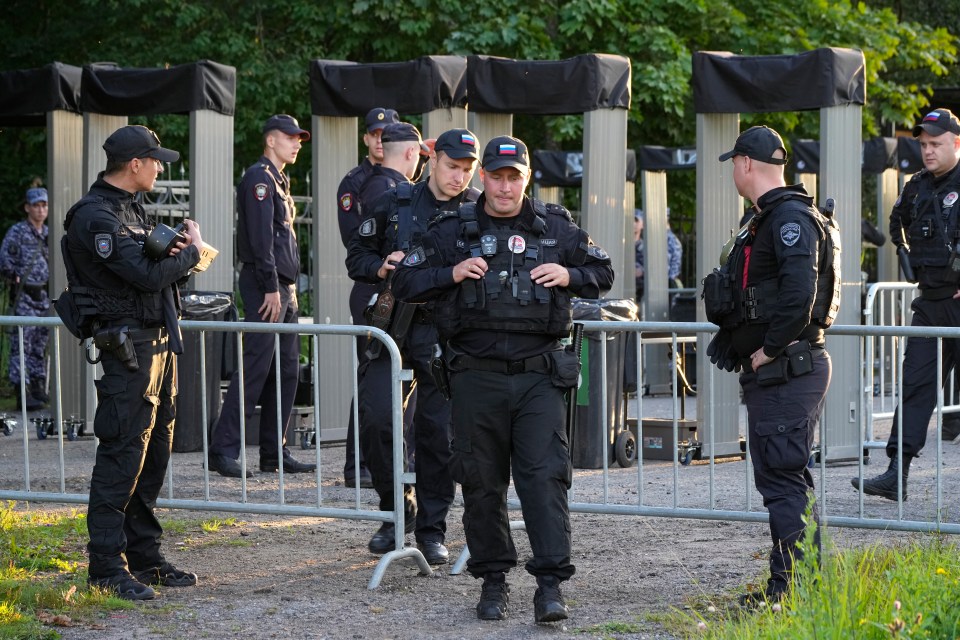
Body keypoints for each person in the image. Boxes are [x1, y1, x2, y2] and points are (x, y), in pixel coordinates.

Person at [392, 135, 614, 624]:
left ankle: (550, 587)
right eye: (496, 176)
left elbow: (604, 270)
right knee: (481, 484)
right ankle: (492, 583)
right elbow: (404, 281)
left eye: (514, 177)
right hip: (475, 376)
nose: (505, 186)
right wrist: (450, 272)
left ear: (527, 178)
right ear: (484, 178)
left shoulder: (555, 227)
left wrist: (569, 275)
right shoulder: (452, 228)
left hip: (538, 378)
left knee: (544, 481)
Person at [62, 125, 202, 600]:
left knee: (154, 454)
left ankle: (144, 555)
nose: (161, 167)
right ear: (135, 164)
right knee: (123, 453)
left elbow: (153, 270)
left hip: (157, 342)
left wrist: (179, 255)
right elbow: (143, 275)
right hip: (128, 349)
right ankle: (105, 565)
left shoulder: (130, 209)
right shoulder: (95, 217)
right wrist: (194, 253)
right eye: (155, 160)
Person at [706, 125, 837, 603]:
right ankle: (802, 587)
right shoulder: (768, 217)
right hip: (784, 372)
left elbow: (800, 294)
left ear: (744, 164)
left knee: (783, 482)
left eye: (734, 165)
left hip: (787, 370)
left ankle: (793, 592)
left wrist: (769, 349)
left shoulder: (789, 219)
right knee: (787, 481)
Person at [346, 127, 480, 565]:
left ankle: (431, 530)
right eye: (452, 166)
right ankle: (397, 509)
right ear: (432, 159)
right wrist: (380, 266)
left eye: (467, 169)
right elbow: (356, 257)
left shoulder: (480, 210)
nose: (459, 177)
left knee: (438, 436)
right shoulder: (396, 202)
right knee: (379, 422)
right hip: (397, 328)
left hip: (450, 334)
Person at [852, 108, 960, 499]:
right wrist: (902, 250)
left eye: (936, 144)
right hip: (930, 303)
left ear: (956, 143)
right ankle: (897, 474)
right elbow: (896, 220)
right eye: (924, 145)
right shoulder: (917, 186)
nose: (928, 152)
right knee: (914, 387)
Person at [208, 115, 315, 478]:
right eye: (290, 138)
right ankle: (223, 449)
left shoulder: (279, 180)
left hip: (283, 287)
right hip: (265, 284)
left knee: (286, 371)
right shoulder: (259, 177)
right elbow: (260, 239)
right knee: (255, 367)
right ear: (270, 141)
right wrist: (271, 286)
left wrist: (285, 288)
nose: (297, 143)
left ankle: (275, 451)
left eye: (299, 138)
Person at [337, 107, 399, 489]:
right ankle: (356, 464)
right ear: (367, 139)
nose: (380, 140)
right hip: (371, 285)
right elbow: (356, 241)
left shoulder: (412, 180)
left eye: (387, 135)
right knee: (372, 374)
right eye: (376, 134)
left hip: (402, 289)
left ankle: (394, 458)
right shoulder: (356, 181)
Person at [1, 186, 51, 410]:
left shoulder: (48, 233)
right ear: (27, 208)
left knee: (40, 343)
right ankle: (22, 390)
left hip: (43, 294)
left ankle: (38, 388)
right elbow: (5, 259)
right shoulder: (18, 232)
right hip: (24, 296)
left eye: (44, 205)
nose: (40, 210)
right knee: (22, 343)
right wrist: (14, 275)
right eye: (36, 206)